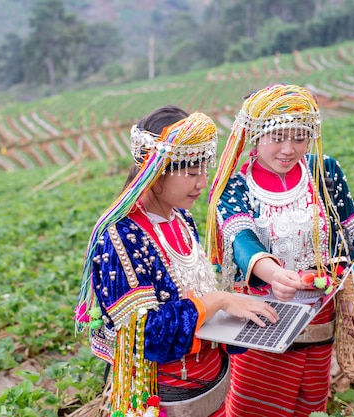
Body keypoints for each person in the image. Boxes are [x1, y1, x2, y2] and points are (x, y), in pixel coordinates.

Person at [75, 105, 279, 417]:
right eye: (192, 174)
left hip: (211, 382)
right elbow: (145, 336)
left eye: (204, 170)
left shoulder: (181, 217)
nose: (202, 183)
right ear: (154, 173)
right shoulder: (121, 237)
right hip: (165, 396)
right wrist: (219, 300)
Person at [205, 84, 354, 416]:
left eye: (299, 137)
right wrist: (274, 273)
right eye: (277, 137)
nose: (288, 149)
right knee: (256, 407)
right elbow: (241, 240)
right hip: (263, 322)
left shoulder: (325, 172)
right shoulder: (235, 186)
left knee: (310, 404)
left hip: (320, 322)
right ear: (254, 134)